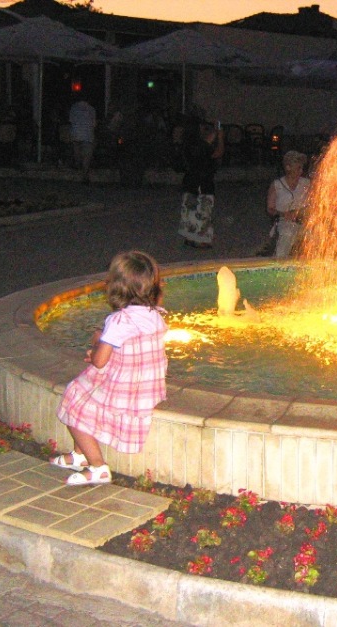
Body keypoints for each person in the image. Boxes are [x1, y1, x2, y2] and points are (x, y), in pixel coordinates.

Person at [50, 250, 168, 485]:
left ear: (116, 287)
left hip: (123, 388)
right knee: (81, 394)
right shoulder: (156, 315)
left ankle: (97, 467)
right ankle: (80, 454)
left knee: (73, 401)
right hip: (145, 385)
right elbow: (132, 349)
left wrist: (96, 344)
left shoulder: (119, 321)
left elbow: (100, 361)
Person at [178, 119, 223, 248]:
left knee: (189, 209)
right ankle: (201, 239)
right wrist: (220, 138)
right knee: (203, 211)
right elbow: (217, 152)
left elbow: (207, 143)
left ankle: (189, 236)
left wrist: (215, 133)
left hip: (190, 181)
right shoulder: (199, 145)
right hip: (202, 182)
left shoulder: (189, 143)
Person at [267, 150, 310, 258]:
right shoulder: (277, 185)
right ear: (288, 167)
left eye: (302, 168)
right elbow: (270, 209)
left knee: (314, 235)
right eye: (298, 168)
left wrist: (301, 213)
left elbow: (314, 204)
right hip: (285, 221)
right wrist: (284, 214)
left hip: (304, 221)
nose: (301, 171)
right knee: (287, 233)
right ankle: (280, 262)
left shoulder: (306, 183)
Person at [68, 95, 96, 184]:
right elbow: (94, 124)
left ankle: (80, 172)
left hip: (76, 134)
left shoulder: (74, 108)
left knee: (77, 155)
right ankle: (84, 175)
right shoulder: (91, 109)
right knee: (86, 157)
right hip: (87, 135)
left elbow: (71, 121)